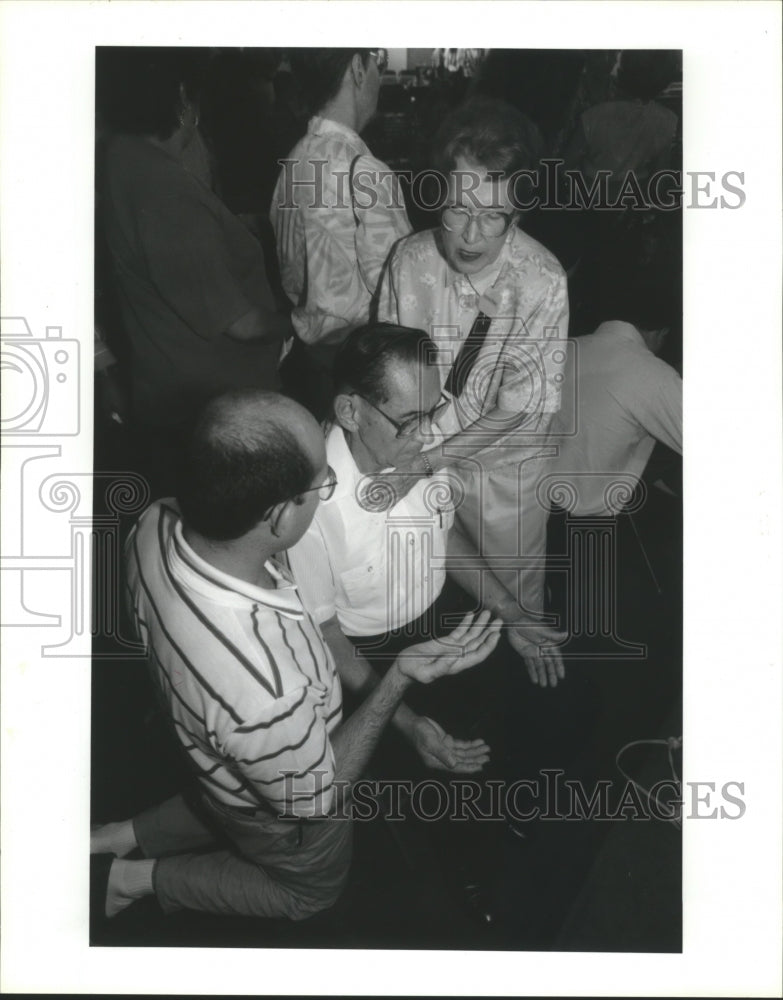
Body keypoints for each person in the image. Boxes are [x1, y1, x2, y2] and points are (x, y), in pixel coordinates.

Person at [90, 389, 500, 922]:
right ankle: (135, 878)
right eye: (322, 483)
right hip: (280, 807)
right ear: (281, 516)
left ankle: (121, 834)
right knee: (307, 894)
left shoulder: (154, 521)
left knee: (221, 791)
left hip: (219, 758)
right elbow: (316, 798)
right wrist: (399, 677)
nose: (331, 486)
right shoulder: (265, 689)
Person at [376, 99, 569, 682]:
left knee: (513, 580)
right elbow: (383, 364)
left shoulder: (541, 280)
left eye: (492, 216)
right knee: (426, 573)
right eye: (457, 208)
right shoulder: (408, 258)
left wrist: (431, 457)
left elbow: (516, 411)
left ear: (517, 213)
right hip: (421, 447)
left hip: (501, 467)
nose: (469, 233)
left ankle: (525, 637)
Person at [287, 322, 566, 693]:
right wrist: (407, 724)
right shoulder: (309, 507)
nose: (426, 435)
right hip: (372, 657)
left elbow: (443, 536)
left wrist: (510, 611)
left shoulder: (424, 448)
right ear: (350, 413)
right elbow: (326, 633)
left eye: (432, 412)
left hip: (445, 608)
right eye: (409, 421)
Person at [97, 48, 291, 494]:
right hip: (213, 407)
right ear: (184, 99)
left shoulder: (122, 157)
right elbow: (240, 322)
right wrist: (297, 321)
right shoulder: (165, 189)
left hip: (168, 389)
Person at [270, 48, 411, 416]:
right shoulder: (362, 169)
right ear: (357, 68)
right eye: (377, 63)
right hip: (356, 374)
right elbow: (403, 292)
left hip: (306, 363)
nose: (380, 75)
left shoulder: (295, 158)